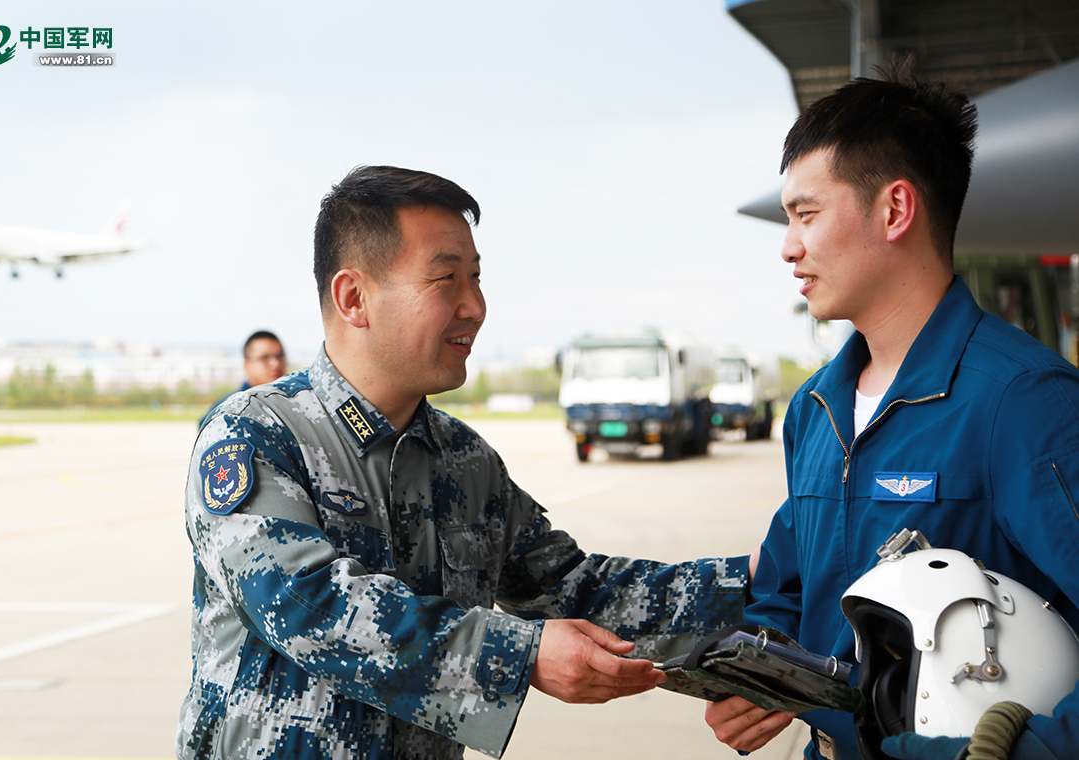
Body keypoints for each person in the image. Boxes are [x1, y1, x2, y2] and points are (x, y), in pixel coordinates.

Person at [177, 165, 750, 759]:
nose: (474, 306)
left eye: (475, 279)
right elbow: (308, 604)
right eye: (446, 280)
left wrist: (756, 581)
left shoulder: (465, 462)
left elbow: (573, 589)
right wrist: (520, 654)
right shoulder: (258, 433)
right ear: (354, 298)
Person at [704, 61, 1079, 760]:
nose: (789, 247)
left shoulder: (1023, 402)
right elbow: (788, 589)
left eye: (806, 215)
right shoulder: (814, 410)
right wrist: (760, 676)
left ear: (896, 210)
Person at [197, 330, 287, 427]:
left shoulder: (290, 402)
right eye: (265, 358)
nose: (276, 364)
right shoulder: (227, 410)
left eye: (279, 357)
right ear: (246, 365)